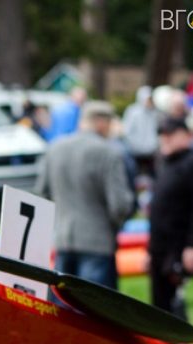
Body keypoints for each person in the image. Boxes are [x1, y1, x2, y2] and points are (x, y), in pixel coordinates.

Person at [34, 101, 134, 290]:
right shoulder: (109, 152)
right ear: (102, 123)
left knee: (62, 301)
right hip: (98, 240)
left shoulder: (55, 148)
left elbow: (41, 192)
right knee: (93, 303)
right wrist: (117, 225)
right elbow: (120, 204)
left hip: (63, 238)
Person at [147, 116, 193, 321]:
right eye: (162, 135)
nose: (165, 139)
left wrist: (192, 245)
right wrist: (149, 249)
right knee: (158, 304)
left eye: (170, 134)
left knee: (173, 304)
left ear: (186, 136)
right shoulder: (163, 162)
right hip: (159, 244)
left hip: (178, 243)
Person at [122, 86, 159, 177]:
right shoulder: (133, 112)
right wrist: (134, 145)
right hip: (135, 151)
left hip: (151, 152)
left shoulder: (154, 113)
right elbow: (127, 131)